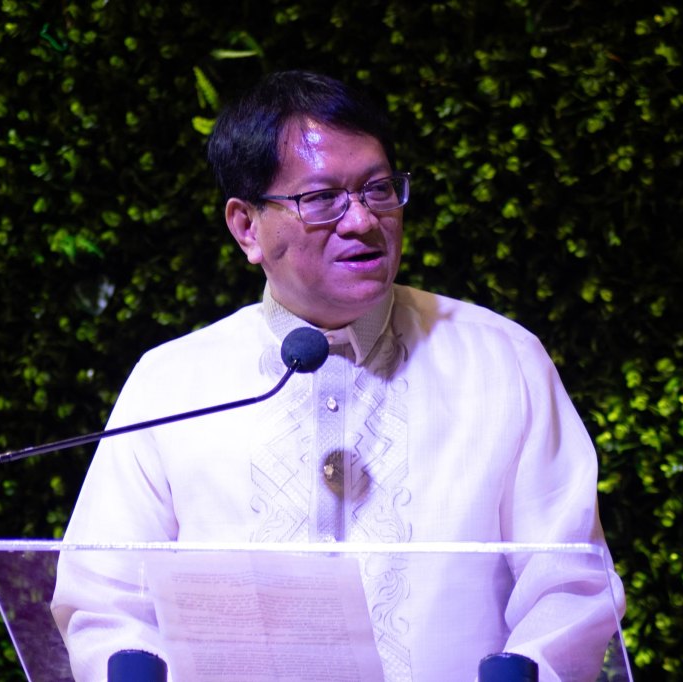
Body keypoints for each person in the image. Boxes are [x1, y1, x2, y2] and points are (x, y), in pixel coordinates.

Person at [51, 70, 625, 681]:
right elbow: (106, 599)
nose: (362, 221)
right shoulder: (172, 383)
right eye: (322, 199)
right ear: (246, 227)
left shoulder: (501, 361)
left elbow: (568, 585)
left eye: (379, 190)